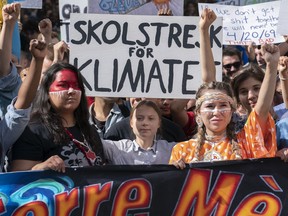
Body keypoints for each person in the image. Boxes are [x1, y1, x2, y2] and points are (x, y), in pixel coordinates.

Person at [169, 9, 278, 168]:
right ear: (198, 113)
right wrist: (175, 174)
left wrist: (272, 66)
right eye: (210, 106)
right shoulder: (181, 151)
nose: (216, 112)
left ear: (232, 110)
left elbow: (261, 110)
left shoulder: (246, 142)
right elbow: (209, 80)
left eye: (223, 105)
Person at [9, 63, 105, 172]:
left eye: (76, 86)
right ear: (47, 91)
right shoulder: (33, 132)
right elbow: (18, 178)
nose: (71, 91)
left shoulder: (91, 132)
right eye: (63, 85)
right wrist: (41, 167)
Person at [102, 100, 176, 164]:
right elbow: (93, 141)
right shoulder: (119, 149)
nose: (145, 123)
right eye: (139, 118)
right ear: (131, 122)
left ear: (159, 123)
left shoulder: (172, 150)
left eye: (151, 118)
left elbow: (187, 147)